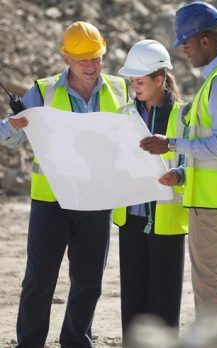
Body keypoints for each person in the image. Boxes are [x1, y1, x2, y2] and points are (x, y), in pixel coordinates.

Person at [0, 21, 128, 347]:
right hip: (51, 202)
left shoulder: (120, 89)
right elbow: (9, 138)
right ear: (66, 58)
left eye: (96, 58)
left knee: (88, 282)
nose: (91, 66)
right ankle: (30, 343)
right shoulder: (44, 91)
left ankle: (75, 341)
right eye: (83, 59)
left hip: (96, 200)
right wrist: (14, 125)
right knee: (39, 279)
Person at [140, 1, 217, 318]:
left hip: (211, 205)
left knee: (208, 290)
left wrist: (172, 144)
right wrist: (182, 173)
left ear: (205, 41)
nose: (184, 52)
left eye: (187, 44)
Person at [112, 40, 188, 338]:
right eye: (132, 81)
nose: (134, 87)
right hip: (131, 218)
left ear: (160, 80)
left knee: (164, 301)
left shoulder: (182, 116)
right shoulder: (124, 113)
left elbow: (191, 162)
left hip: (167, 222)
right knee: (132, 298)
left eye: (139, 81)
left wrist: (179, 175)